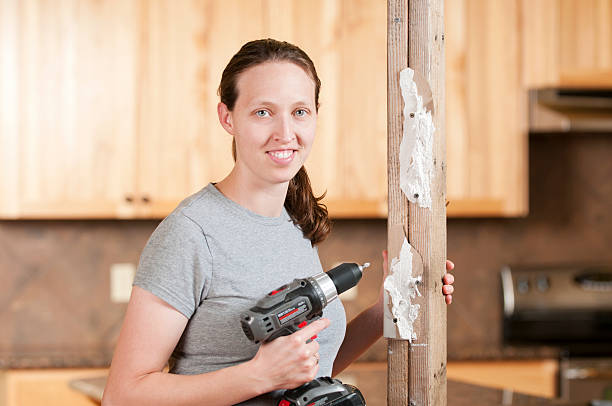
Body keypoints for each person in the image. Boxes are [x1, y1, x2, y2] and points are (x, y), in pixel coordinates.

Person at [102, 38, 455, 406]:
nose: (285, 133)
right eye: (263, 112)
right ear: (228, 117)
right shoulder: (192, 233)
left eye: (300, 112)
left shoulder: (294, 224)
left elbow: (307, 372)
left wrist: (386, 310)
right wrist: (258, 375)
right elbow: (123, 395)